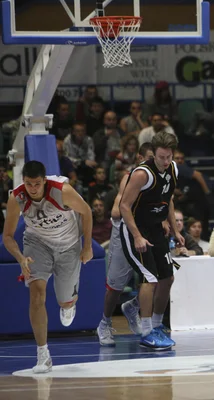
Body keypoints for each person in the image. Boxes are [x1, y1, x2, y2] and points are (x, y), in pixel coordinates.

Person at [3, 161, 93, 373]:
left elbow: (87, 212)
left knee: (65, 301)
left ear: (44, 181)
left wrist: (87, 246)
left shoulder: (62, 191)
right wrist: (20, 258)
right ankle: (43, 354)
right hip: (37, 243)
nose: (32, 188)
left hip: (69, 244)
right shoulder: (17, 198)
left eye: (36, 184)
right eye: (28, 184)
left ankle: (69, 304)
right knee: (36, 294)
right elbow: (7, 236)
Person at [119, 132, 184, 351]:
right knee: (150, 278)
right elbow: (124, 206)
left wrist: (175, 228)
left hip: (156, 227)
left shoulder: (173, 169)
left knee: (167, 278)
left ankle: (156, 326)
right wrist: (137, 235)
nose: (166, 161)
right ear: (153, 154)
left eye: (169, 156)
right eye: (162, 157)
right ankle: (146, 331)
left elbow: (169, 200)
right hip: (135, 229)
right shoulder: (141, 174)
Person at [97, 143, 154, 346]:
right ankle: (104, 323)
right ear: (139, 158)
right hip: (123, 231)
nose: (152, 162)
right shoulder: (130, 178)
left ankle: (133, 307)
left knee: (160, 277)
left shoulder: (161, 177)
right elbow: (115, 212)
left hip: (147, 231)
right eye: (149, 157)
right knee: (116, 286)